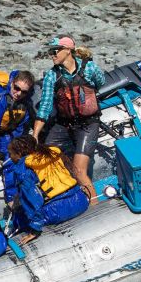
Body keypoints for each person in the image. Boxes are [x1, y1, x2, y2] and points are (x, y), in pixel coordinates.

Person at [30, 35, 106, 204]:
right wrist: (35, 134)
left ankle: (94, 206)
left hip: (88, 124)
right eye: (50, 51)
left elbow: (100, 82)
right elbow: (46, 106)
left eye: (55, 51)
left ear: (68, 50)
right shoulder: (52, 76)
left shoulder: (89, 68)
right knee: (46, 152)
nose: (52, 54)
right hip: (65, 125)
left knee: (79, 171)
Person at [3, 134, 89, 244]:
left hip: (57, 210)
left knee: (19, 218)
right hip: (80, 200)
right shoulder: (51, 153)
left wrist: (35, 229)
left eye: (11, 154)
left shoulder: (24, 169)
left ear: (19, 154)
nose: (10, 158)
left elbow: (33, 201)